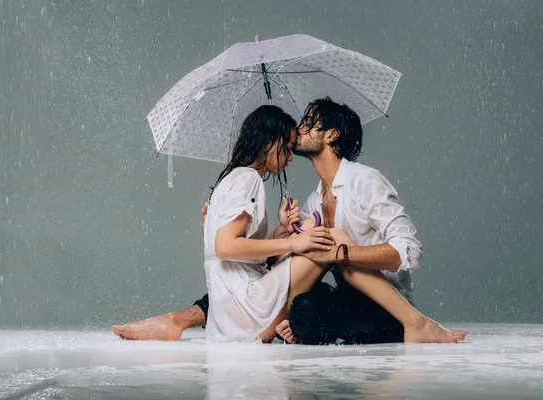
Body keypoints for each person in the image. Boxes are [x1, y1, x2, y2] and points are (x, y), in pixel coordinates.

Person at [113, 99, 468, 344]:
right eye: (290, 134)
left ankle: (414, 322)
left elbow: (409, 251)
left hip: (382, 300)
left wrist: (339, 254)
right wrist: (289, 236)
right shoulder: (298, 194)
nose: (298, 130)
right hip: (330, 296)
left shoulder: (365, 181)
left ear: (331, 135)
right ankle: (242, 324)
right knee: (307, 304)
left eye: (308, 122)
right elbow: (255, 255)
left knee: (329, 245)